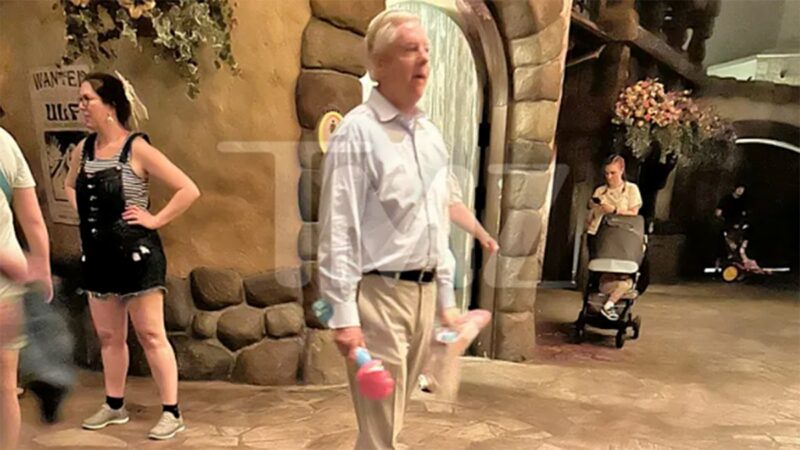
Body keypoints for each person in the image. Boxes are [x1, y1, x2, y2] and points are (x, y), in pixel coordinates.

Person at [317, 10, 459, 449]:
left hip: (423, 297)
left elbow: (438, 221)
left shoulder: (430, 136)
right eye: (409, 49)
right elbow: (338, 228)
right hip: (380, 298)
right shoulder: (357, 133)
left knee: (388, 427)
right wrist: (344, 317)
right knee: (380, 433)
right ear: (378, 65)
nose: (424, 59)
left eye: (426, 49)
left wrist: (445, 297)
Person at [64, 72, 200, 440]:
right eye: (80, 99)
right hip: (98, 255)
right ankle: (114, 404)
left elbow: (188, 189)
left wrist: (154, 219)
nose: (81, 106)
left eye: (87, 99)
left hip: (137, 255)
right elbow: (69, 185)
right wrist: (85, 215)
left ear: (110, 105)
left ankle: (172, 411)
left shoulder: (137, 149)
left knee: (151, 334)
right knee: (110, 336)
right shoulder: (83, 150)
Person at [1, 126, 52, 449]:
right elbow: (32, 219)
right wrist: (41, 266)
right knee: (5, 387)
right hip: (7, 286)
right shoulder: (5, 141)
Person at [586, 154, 641, 319]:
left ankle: (613, 304)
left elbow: (634, 214)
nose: (609, 177)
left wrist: (614, 210)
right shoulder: (600, 191)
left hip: (622, 237)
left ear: (621, 170)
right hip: (600, 236)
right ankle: (595, 306)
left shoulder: (631, 190)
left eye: (613, 173)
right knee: (599, 272)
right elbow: (591, 215)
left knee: (623, 272)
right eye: (607, 173)